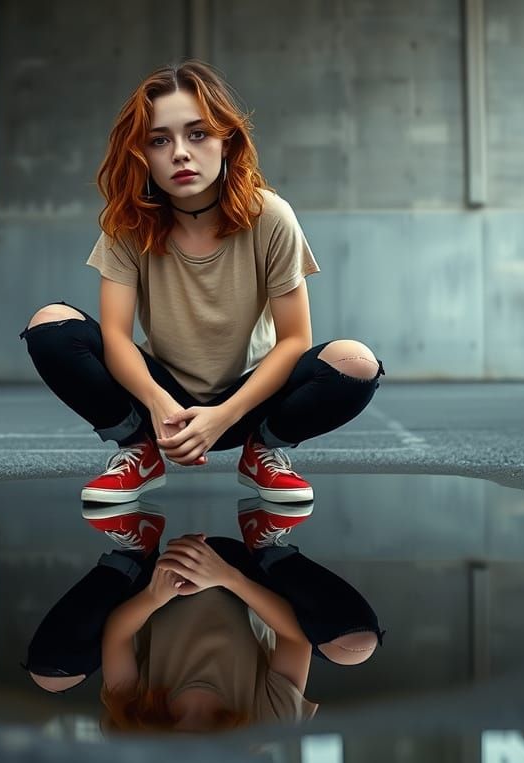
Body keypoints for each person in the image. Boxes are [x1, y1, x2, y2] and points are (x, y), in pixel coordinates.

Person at [20, 59, 384, 504]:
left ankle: (263, 452)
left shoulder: (270, 217)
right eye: (159, 140)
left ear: (226, 141)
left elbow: (294, 340)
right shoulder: (128, 224)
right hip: (160, 402)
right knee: (51, 325)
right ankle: (138, 451)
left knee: (356, 363)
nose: (179, 152)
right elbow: (115, 335)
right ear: (143, 154)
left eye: (197, 134)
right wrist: (156, 403)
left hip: (251, 398)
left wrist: (222, 416)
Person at [23, 499, 385, 728]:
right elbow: (293, 637)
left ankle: (134, 551)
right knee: (355, 645)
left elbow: (117, 633)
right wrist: (226, 577)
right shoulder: (267, 723)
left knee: (50, 676)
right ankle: (269, 545)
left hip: (157, 581)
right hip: (242, 572)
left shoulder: (135, 725)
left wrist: (155, 594)